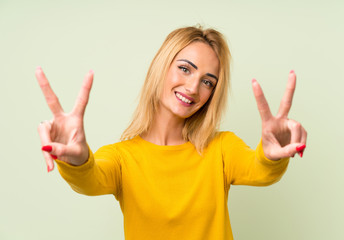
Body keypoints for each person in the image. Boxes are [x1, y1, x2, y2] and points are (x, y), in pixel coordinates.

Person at [36, 26, 307, 240]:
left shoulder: (221, 148)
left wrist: (272, 154)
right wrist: (77, 159)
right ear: (162, 66)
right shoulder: (122, 158)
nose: (192, 87)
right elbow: (90, 179)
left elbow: (258, 169)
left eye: (207, 82)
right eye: (185, 68)